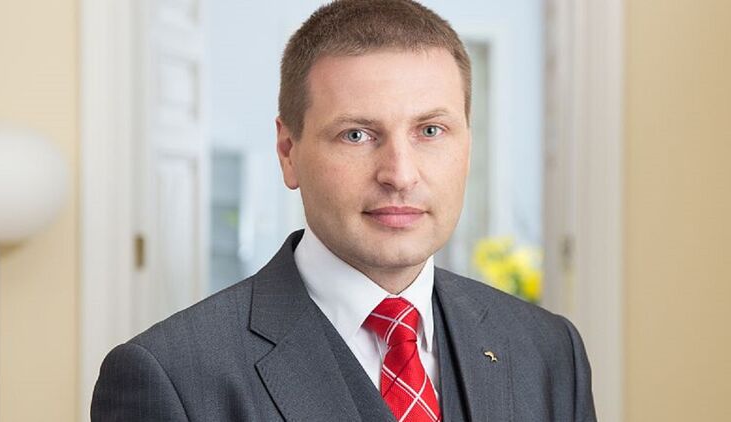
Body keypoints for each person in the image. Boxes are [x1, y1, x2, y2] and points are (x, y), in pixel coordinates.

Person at [91, 0, 596, 420]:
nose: (399, 174)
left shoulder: (550, 351)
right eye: (357, 134)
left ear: (467, 143)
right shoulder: (171, 378)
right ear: (288, 152)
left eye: (430, 131)